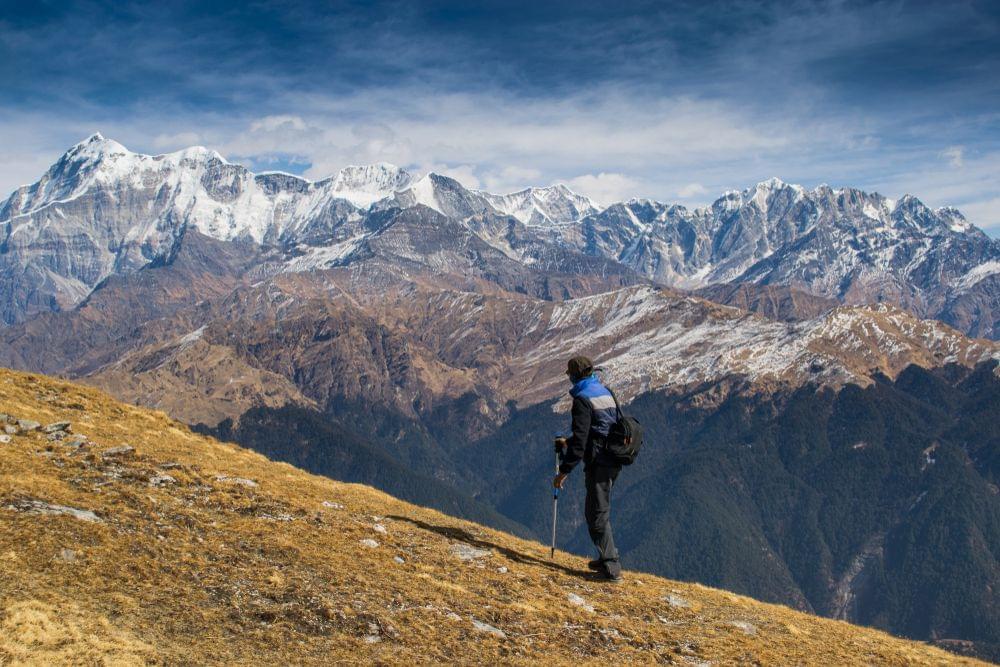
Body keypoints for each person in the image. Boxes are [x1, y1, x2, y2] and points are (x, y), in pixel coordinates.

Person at [553, 355, 623, 583]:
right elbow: (601, 429)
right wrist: (568, 442)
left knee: (597, 514)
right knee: (595, 511)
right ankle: (605, 559)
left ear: (574, 375)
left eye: (570, 375)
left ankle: (611, 568)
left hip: (600, 461)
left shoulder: (582, 399)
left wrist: (563, 471)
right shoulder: (604, 391)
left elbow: (583, 440)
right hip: (613, 458)